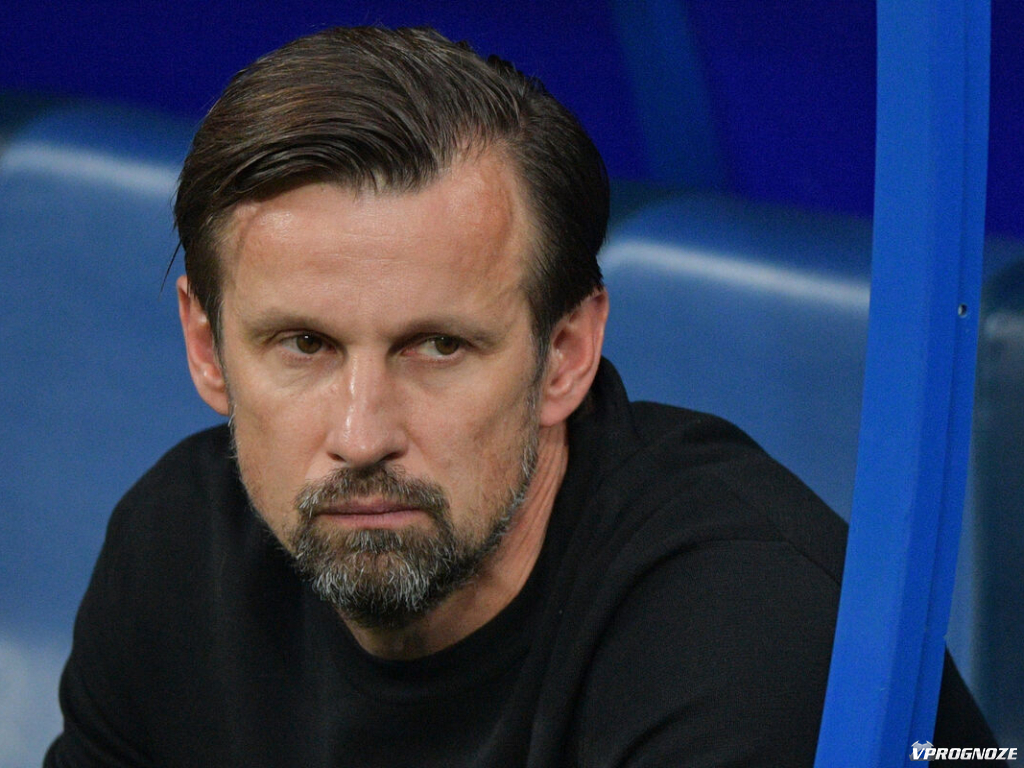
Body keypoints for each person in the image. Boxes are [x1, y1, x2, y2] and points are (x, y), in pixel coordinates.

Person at [46, 26, 997, 767]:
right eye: (304, 345)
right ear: (206, 346)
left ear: (565, 355)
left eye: (439, 347)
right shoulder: (174, 550)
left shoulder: (746, 635)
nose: (361, 434)